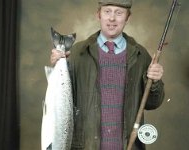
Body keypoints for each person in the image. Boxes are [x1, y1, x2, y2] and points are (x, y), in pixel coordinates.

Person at [50, 0, 164, 149]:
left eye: (119, 13)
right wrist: (56, 68)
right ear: (98, 14)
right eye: (107, 11)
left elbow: (152, 103)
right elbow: (59, 102)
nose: (112, 18)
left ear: (127, 17)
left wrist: (155, 82)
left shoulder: (141, 55)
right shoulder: (77, 52)